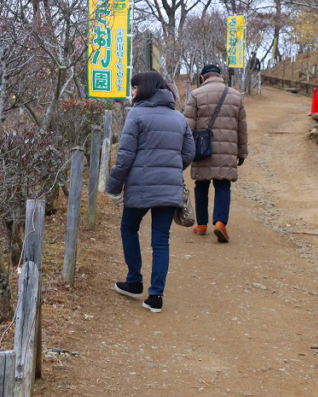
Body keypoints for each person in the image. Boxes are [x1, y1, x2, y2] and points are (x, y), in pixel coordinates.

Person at [106, 71, 194, 313]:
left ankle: (134, 281)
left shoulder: (136, 115)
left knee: (128, 228)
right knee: (161, 240)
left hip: (140, 186)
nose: (132, 93)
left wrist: (113, 187)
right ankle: (156, 296)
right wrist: (170, 170)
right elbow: (189, 153)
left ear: (143, 89)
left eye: (134, 88)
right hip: (169, 187)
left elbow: (125, 157)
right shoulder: (178, 118)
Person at [184, 63, 248, 243]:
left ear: (203, 78)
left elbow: (188, 127)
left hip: (202, 148)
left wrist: (185, 151)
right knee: (223, 186)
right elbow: (242, 128)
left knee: (201, 185)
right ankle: (220, 222)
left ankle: (202, 224)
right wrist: (241, 152)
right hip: (227, 151)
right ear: (220, 76)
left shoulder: (196, 95)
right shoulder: (235, 95)